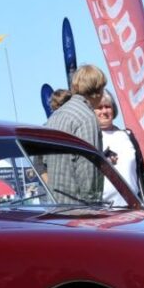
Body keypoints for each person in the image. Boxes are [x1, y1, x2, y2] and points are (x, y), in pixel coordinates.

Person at [44, 64, 105, 203]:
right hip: (79, 210)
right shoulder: (87, 118)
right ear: (98, 90)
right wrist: (94, 206)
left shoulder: (56, 115)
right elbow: (88, 167)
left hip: (56, 207)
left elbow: (45, 162)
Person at [95, 90, 144, 209]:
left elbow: (142, 174)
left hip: (134, 208)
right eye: (99, 108)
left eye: (108, 107)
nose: (104, 111)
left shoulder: (128, 136)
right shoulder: (92, 138)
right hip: (105, 210)